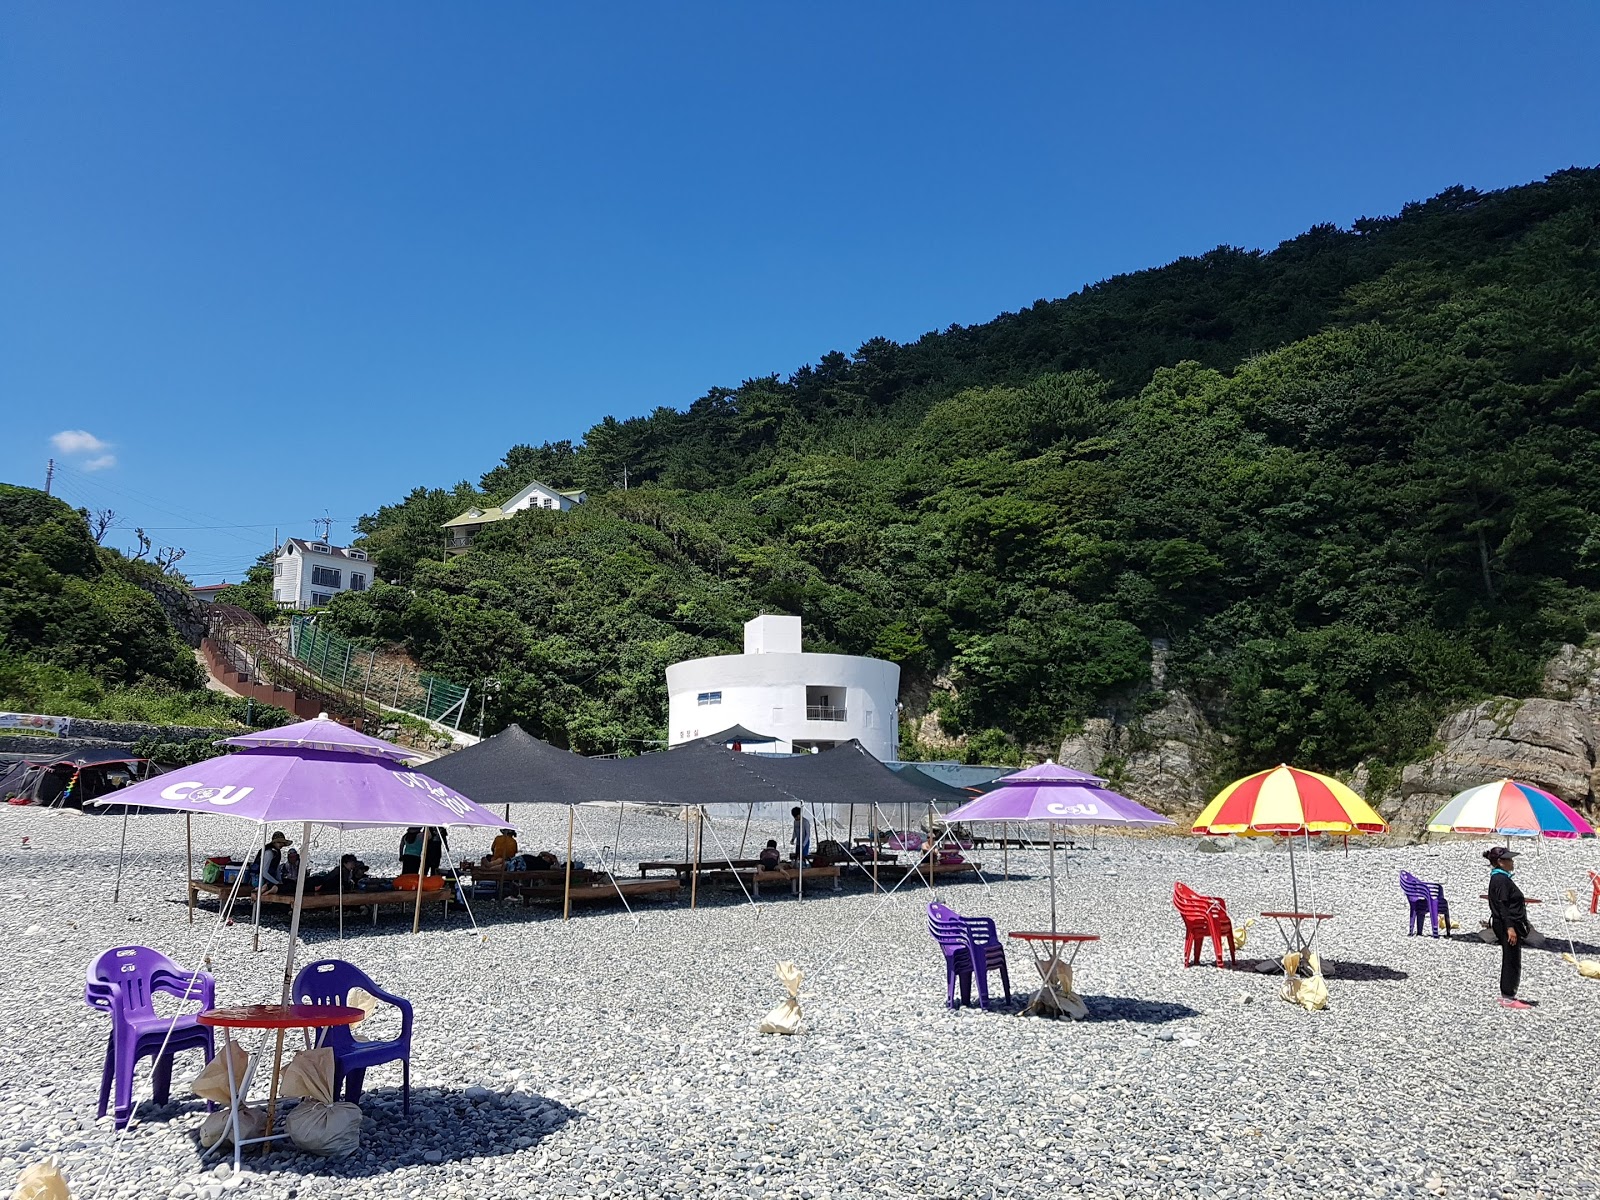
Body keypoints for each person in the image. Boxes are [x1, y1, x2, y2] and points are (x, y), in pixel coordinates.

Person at [1486, 846, 1532, 1009]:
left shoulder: (1501, 878)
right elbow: (1502, 906)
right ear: (1500, 862)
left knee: (1512, 957)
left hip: (1508, 923)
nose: (1512, 862)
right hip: (1507, 925)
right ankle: (1508, 996)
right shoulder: (1501, 880)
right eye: (1509, 859)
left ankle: (1509, 994)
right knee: (1511, 959)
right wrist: (1510, 928)